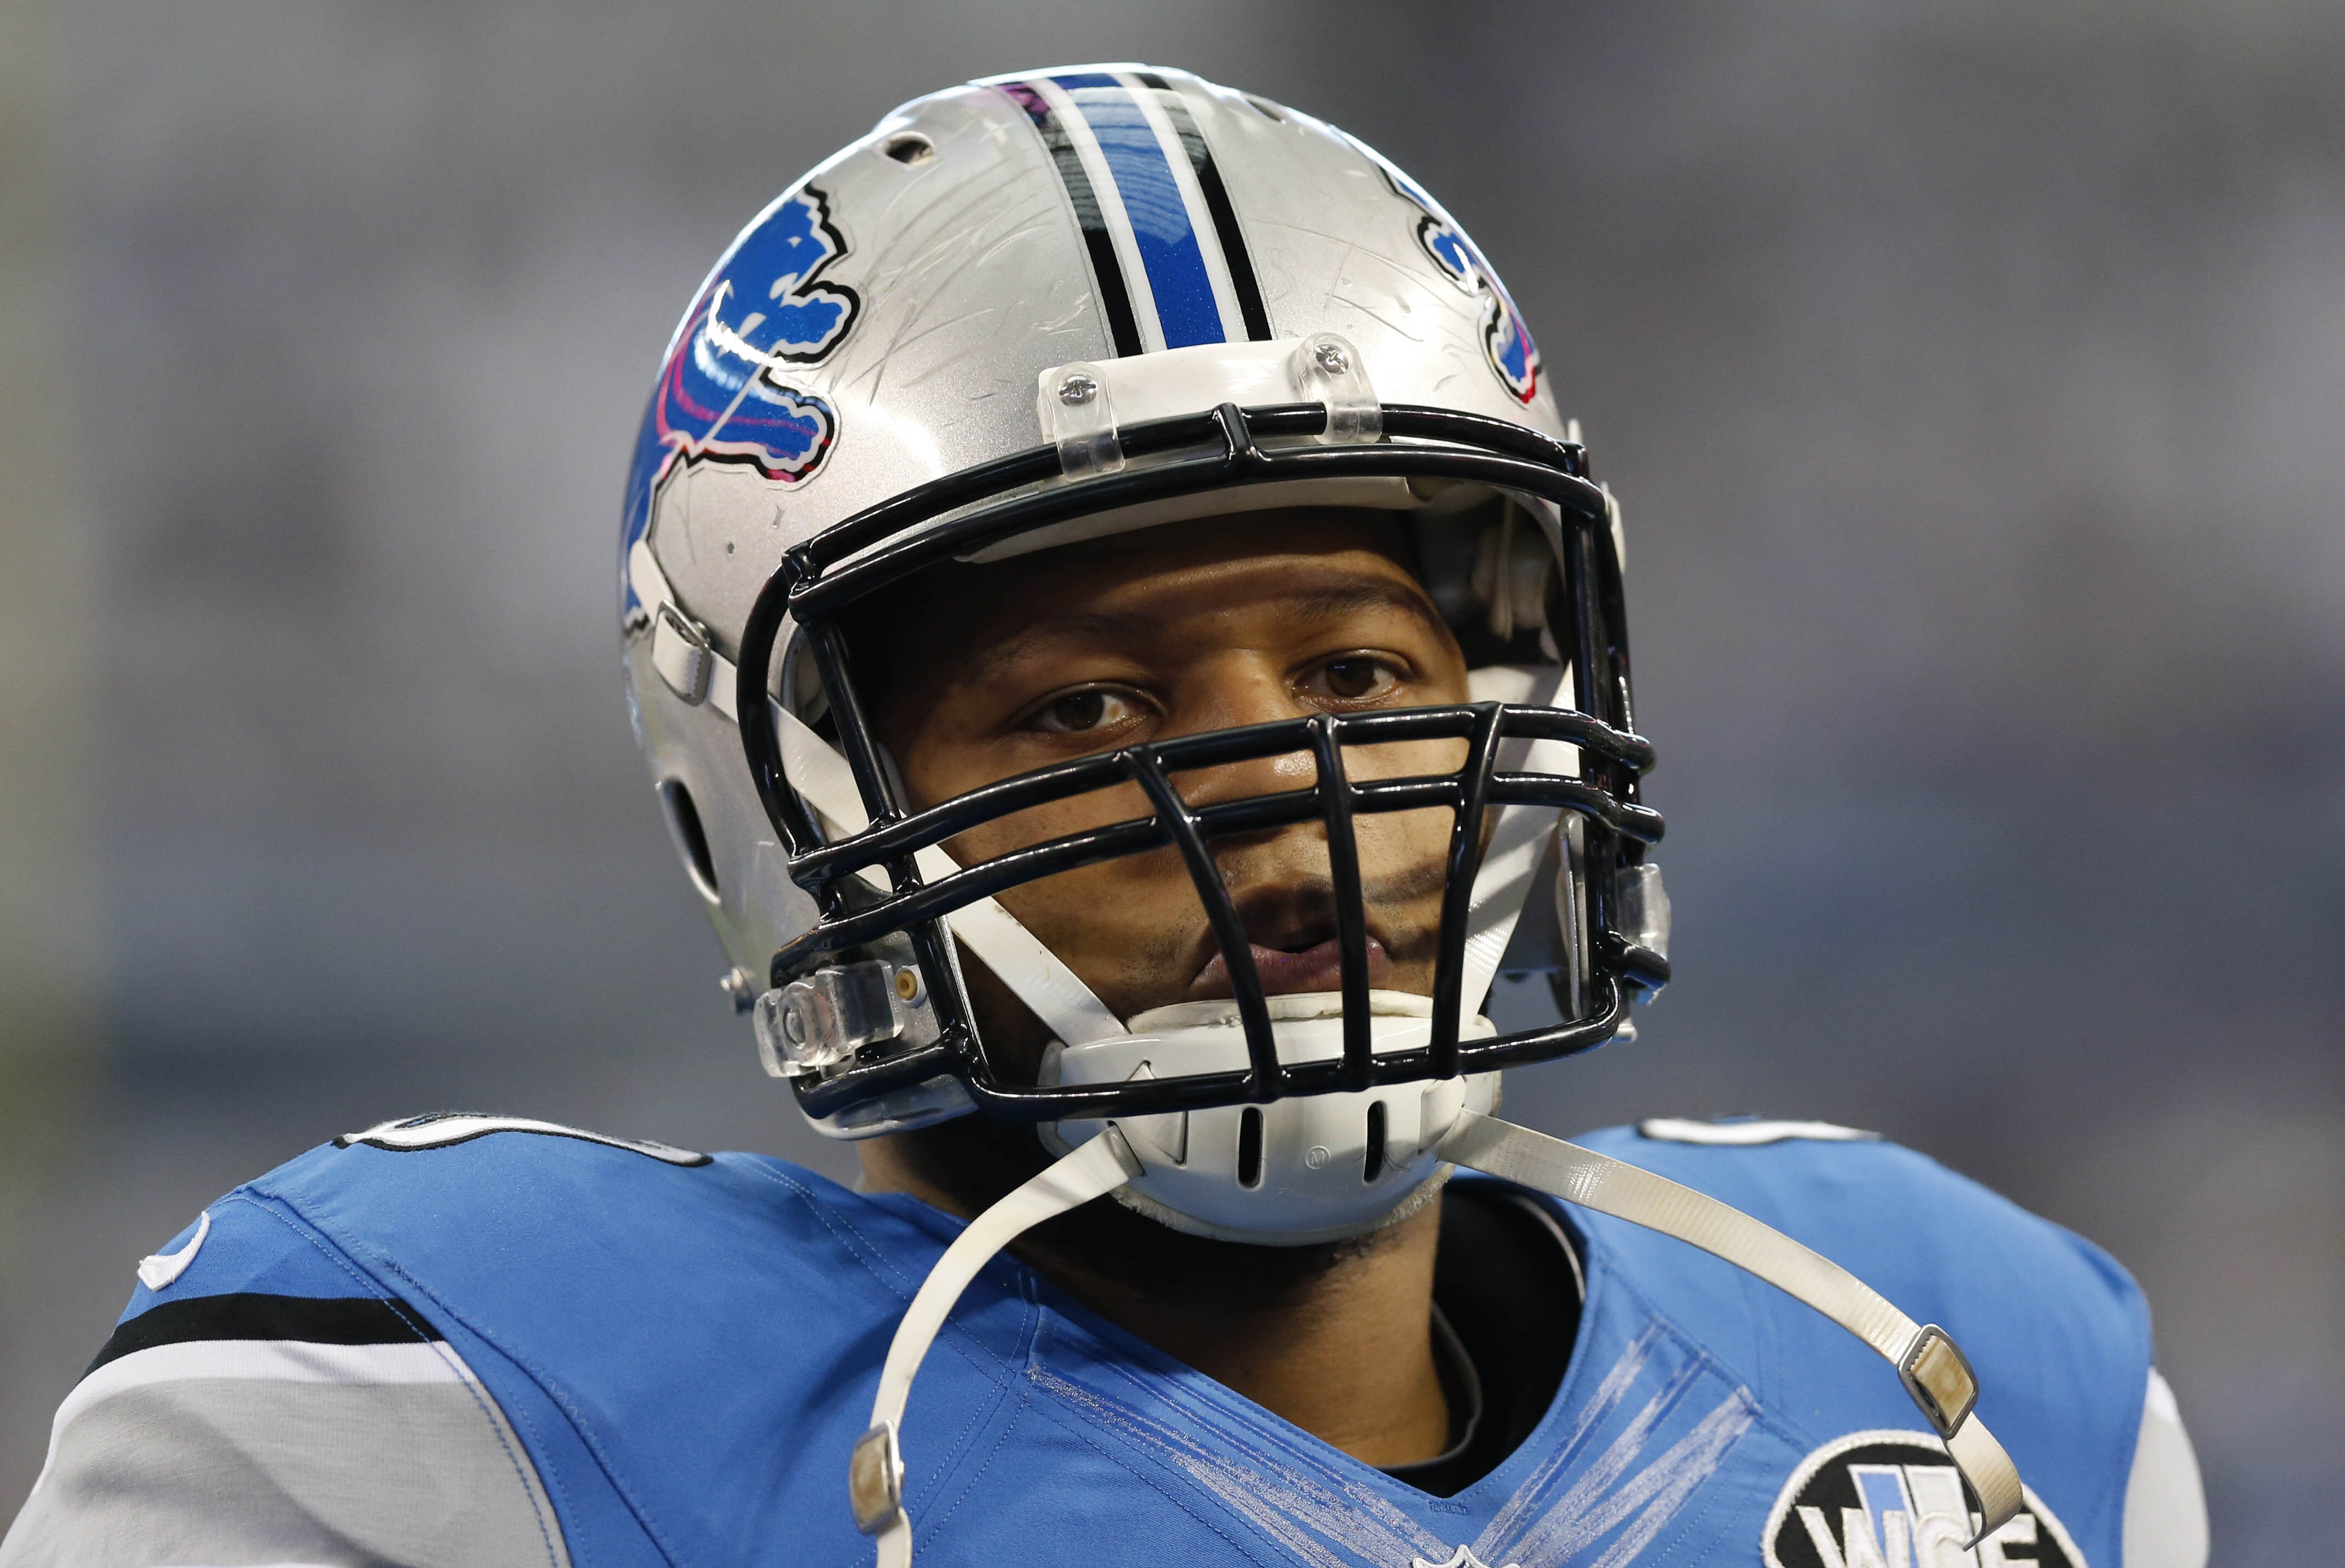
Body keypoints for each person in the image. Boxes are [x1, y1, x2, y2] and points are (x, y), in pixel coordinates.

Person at [2, 65, 2207, 1568]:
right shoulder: (473, 1420)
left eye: (1356, 675)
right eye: (1086, 706)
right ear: (784, 815)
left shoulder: (1965, 1364)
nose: (1277, 793)